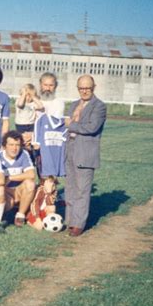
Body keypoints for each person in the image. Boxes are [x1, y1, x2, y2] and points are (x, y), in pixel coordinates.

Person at [64, 75, 106, 237]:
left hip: (85, 152)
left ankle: (78, 224)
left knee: (82, 189)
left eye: (87, 88)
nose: (84, 91)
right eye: (81, 88)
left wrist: (71, 125)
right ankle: (70, 220)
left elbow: (92, 127)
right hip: (70, 149)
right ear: (77, 88)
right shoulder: (74, 105)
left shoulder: (99, 106)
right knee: (70, 187)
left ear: (93, 87)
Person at [0, 131, 36, 227]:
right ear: (4, 146)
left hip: (18, 190)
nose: (14, 148)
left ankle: (20, 214)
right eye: (11, 145)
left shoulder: (23, 154)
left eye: (17, 145)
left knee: (30, 184)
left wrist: (10, 177)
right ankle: (5, 213)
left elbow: (31, 174)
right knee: (5, 199)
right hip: (5, 191)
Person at [14, 83, 44, 151]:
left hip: (31, 124)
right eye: (27, 95)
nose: (28, 98)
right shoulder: (19, 101)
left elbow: (41, 106)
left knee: (30, 142)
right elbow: (20, 105)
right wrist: (24, 94)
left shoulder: (33, 104)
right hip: (20, 125)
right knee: (21, 141)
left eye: (30, 96)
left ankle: (31, 153)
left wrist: (33, 97)